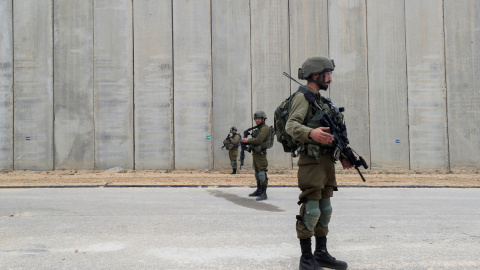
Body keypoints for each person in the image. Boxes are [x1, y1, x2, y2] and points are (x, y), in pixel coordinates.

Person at [286, 57, 353, 270]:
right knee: (312, 209)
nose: (330, 79)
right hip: (311, 162)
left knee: (325, 209)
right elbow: (291, 126)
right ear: (316, 75)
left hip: (325, 161)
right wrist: (311, 132)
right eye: (327, 74)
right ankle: (306, 259)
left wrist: (342, 155)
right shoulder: (302, 98)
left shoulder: (321, 100)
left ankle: (321, 253)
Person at [242, 111, 270, 201]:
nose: (257, 120)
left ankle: (263, 193)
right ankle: (259, 190)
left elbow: (259, 140)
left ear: (263, 119)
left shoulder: (264, 128)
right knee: (257, 173)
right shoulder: (259, 128)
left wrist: (247, 141)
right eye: (256, 119)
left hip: (261, 154)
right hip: (256, 153)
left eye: (259, 118)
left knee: (262, 173)